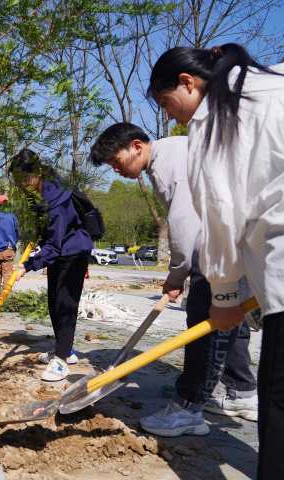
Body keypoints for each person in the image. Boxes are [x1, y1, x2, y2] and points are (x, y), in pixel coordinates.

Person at [148, 43, 284, 479]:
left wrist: (223, 294)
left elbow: (218, 216)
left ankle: (200, 402)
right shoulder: (275, 81)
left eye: (166, 103)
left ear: (188, 83)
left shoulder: (213, 121)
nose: (171, 116)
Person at [89, 122, 257, 438]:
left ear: (136, 146)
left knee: (205, 327)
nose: (116, 170)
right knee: (232, 320)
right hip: (242, 242)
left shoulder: (170, 165)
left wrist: (177, 274)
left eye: (116, 161)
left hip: (223, 249)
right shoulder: (175, 151)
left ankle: (188, 409)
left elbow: (185, 227)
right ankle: (241, 392)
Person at [10, 149, 92, 381]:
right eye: (17, 180)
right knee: (54, 302)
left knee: (65, 305)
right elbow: (48, 234)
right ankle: (65, 350)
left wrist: (27, 265)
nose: (20, 185)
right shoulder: (42, 191)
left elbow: (55, 245)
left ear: (35, 173)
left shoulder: (56, 198)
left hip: (74, 252)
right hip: (61, 252)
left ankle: (61, 362)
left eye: (23, 179)